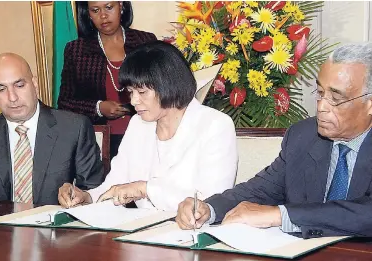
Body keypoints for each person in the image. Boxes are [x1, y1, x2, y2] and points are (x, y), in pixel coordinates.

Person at [176, 43, 372, 238]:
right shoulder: (302, 137)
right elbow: (260, 190)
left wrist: (281, 215)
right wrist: (209, 208)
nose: (321, 106)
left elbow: (366, 213)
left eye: (336, 99)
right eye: (320, 93)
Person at [58, 41, 238, 211]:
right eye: (130, 92)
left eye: (142, 92)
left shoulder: (215, 125)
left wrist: (145, 189)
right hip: (141, 234)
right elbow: (114, 186)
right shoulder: (138, 124)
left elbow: (212, 202)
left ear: (169, 85)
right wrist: (86, 197)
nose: (134, 101)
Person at [0, 53, 104, 205]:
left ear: (34, 83)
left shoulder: (75, 128)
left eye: (20, 85)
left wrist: (81, 196)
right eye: (1, 89)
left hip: (57, 227)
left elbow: (95, 192)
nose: (12, 97)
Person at [58, 1, 157, 159]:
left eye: (109, 7)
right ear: (88, 14)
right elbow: (64, 103)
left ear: (121, 6)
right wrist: (98, 107)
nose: (103, 16)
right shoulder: (77, 50)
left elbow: (160, 89)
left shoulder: (145, 41)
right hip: (99, 144)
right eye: (95, 10)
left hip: (146, 137)